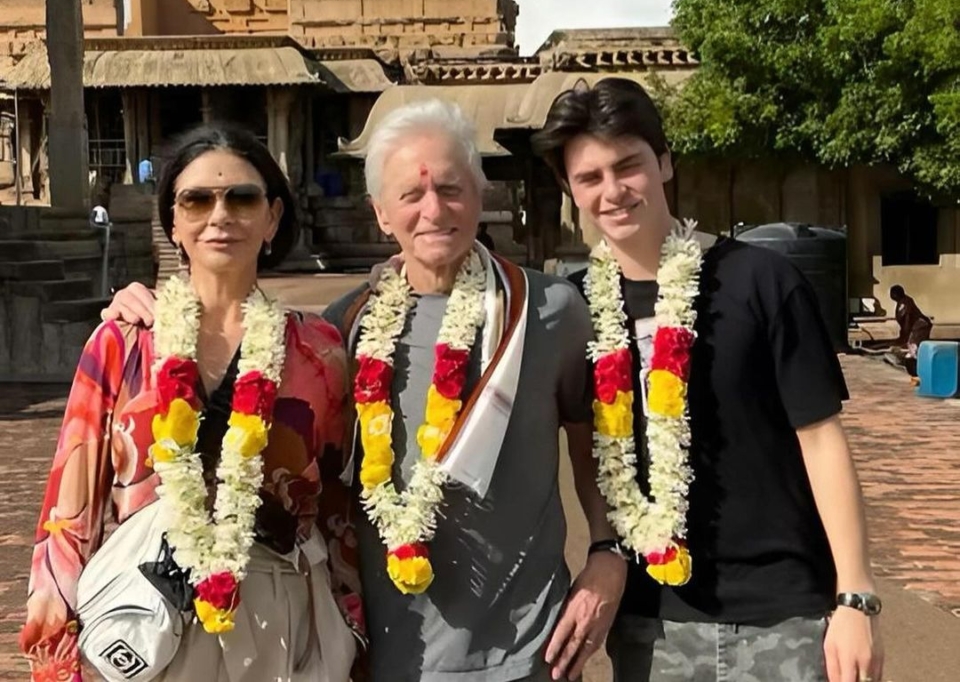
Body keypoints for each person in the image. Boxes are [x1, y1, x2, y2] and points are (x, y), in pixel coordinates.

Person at [103, 101, 627, 682]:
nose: (435, 210)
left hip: (531, 651)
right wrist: (144, 311)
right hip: (388, 652)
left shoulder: (550, 311)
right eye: (411, 196)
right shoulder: (343, 331)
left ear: (480, 195)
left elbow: (596, 445)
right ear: (381, 213)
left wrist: (606, 554)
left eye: (452, 188)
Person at [531, 78, 885, 682]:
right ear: (570, 191)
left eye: (629, 166)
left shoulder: (763, 282)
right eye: (589, 178)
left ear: (664, 163)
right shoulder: (575, 308)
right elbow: (580, 440)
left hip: (785, 619)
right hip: (651, 622)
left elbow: (822, 440)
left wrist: (855, 598)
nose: (613, 192)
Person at [22, 123, 361, 682]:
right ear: (174, 223)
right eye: (197, 199)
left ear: (273, 218)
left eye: (242, 197)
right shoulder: (125, 342)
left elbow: (336, 504)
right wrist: (53, 641)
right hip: (151, 609)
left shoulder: (318, 352)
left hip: (280, 613)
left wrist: (352, 623)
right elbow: (69, 509)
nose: (220, 214)